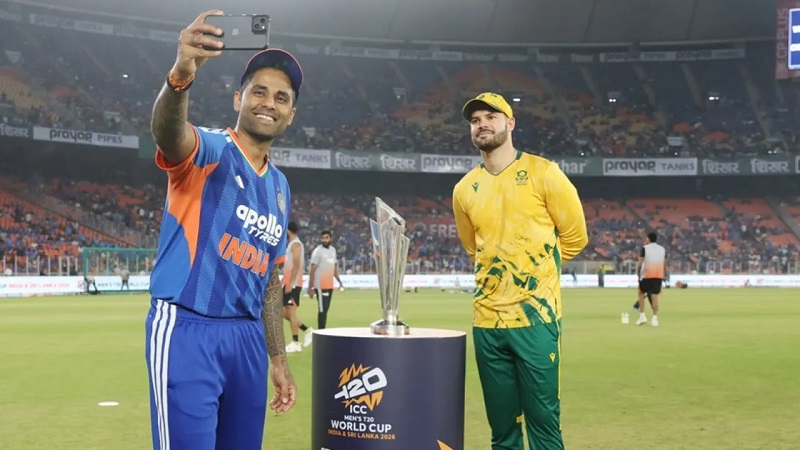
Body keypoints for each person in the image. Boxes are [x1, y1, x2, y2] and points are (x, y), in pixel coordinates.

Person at [145, 10, 301, 450]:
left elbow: (270, 279)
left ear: (291, 114)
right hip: (188, 329)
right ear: (238, 99)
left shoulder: (280, 187)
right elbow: (169, 135)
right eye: (258, 91)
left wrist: (278, 357)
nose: (269, 103)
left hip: (248, 340)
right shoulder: (211, 149)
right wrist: (181, 76)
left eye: (281, 98)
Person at [452, 92, 588, 450]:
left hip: (536, 319)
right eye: (475, 120)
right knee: (502, 430)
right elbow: (474, 248)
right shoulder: (464, 189)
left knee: (544, 424)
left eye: (491, 117)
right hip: (487, 322)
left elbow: (575, 237)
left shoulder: (545, 173)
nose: (482, 124)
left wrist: (535, 272)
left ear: (510, 123)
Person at [282, 221, 313, 352]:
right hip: (288, 282)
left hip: (293, 284)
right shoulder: (292, 244)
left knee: (291, 312)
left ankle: (295, 343)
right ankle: (307, 330)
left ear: (288, 231)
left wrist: (290, 283)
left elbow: (296, 264)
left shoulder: (295, 244)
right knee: (282, 312)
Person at [306, 229, 344, 329]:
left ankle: (322, 330)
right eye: (322, 238)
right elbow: (312, 270)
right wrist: (311, 287)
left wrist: (339, 281)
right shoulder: (317, 251)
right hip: (320, 286)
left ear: (331, 239)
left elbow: (334, 268)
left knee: (326, 309)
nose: (324, 240)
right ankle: (321, 331)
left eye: (326, 238)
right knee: (322, 310)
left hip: (329, 285)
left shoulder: (333, 250)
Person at [636, 232, 667, 327]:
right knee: (654, 297)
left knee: (641, 293)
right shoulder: (662, 249)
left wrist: (638, 273)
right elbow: (664, 264)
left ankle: (642, 316)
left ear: (648, 239)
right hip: (658, 275)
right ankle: (654, 319)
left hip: (646, 275)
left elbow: (640, 263)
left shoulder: (645, 248)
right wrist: (663, 274)